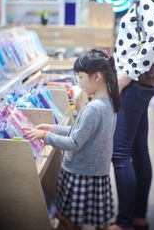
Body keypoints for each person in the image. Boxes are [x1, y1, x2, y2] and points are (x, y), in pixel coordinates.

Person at [23, 49, 120, 230]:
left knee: (73, 222)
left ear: (96, 76)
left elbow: (74, 143)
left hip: (80, 174)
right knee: (96, 220)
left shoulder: (93, 109)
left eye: (81, 77)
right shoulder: (109, 103)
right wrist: (52, 128)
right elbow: (81, 132)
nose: (79, 82)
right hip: (97, 173)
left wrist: (45, 136)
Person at [109, 0, 154, 230]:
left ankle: (124, 221)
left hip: (135, 85)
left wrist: (126, 75)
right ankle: (139, 216)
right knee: (138, 150)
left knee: (120, 153)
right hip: (138, 84)